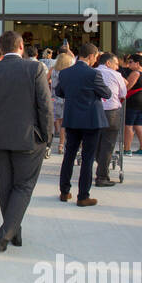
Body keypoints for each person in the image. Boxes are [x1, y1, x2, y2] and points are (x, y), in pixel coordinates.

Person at [0, 31, 52, 250]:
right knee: (23, 185)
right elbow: (45, 106)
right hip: (29, 137)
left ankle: (13, 231)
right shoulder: (34, 68)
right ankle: (6, 232)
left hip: (0, 136)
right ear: (21, 46)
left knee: (6, 185)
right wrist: (46, 136)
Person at [54, 43, 111, 207]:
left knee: (69, 155)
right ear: (92, 56)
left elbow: (59, 92)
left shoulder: (65, 73)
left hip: (72, 118)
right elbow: (106, 93)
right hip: (91, 120)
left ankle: (64, 191)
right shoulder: (94, 74)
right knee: (87, 158)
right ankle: (83, 195)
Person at [93, 52, 127, 187]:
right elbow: (123, 93)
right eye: (116, 64)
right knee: (108, 145)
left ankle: (101, 164)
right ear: (108, 63)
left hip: (94, 111)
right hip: (111, 112)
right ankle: (102, 176)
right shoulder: (116, 75)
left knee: (95, 141)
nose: (117, 67)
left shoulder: (92, 73)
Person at [122, 53, 142, 155]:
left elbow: (127, 87)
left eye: (130, 62)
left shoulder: (135, 73)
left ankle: (127, 149)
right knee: (138, 124)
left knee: (128, 125)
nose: (128, 64)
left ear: (137, 63)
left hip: (133, 102)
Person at [49, 49, 75, 151]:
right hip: (66, 98)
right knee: (65, 122)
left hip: (55, 98)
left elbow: (44, 80)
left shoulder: (52, 70)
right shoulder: (69, 72)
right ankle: (61, 143)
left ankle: (59, 140)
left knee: (58, 121)